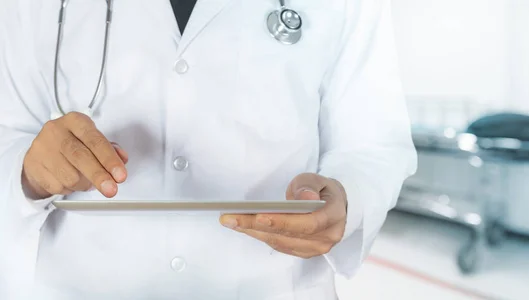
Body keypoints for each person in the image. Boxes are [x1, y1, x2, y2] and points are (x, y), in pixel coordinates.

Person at [0, 0, 416, 299]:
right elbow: (7, 130)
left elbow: (373, 143)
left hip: (269, 287)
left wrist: (347, 200)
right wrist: (29, 169)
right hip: (75, 286)